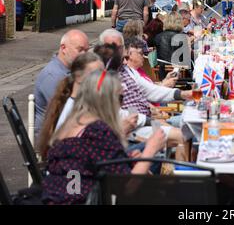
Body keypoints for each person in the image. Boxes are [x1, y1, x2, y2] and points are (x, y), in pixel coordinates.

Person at [41, 70, 166, 204]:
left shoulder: (71, 122)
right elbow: (127, 188)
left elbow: (86, 164)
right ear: (106, 100)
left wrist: (123, 160)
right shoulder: (97, 131)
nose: (121, 106)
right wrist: (151, 150)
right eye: (120, 99)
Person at [38, 52, 105, 159]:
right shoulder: (77, 111)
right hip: (73, 172)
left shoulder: (77, 103)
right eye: (97, 75)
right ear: (79, 77)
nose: (103, 80)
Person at [34, 29, 89, 138]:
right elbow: (67, 114)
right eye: (80, 50)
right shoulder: (53, 76)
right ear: (63, 48)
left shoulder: (71, 71)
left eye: (86, 50)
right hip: (53, 140)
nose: (84, 55)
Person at [154, 12, 191, 80]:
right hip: (178, 74)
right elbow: (187, 60)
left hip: (161, 73)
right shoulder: (182, 37)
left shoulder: (158, 37)